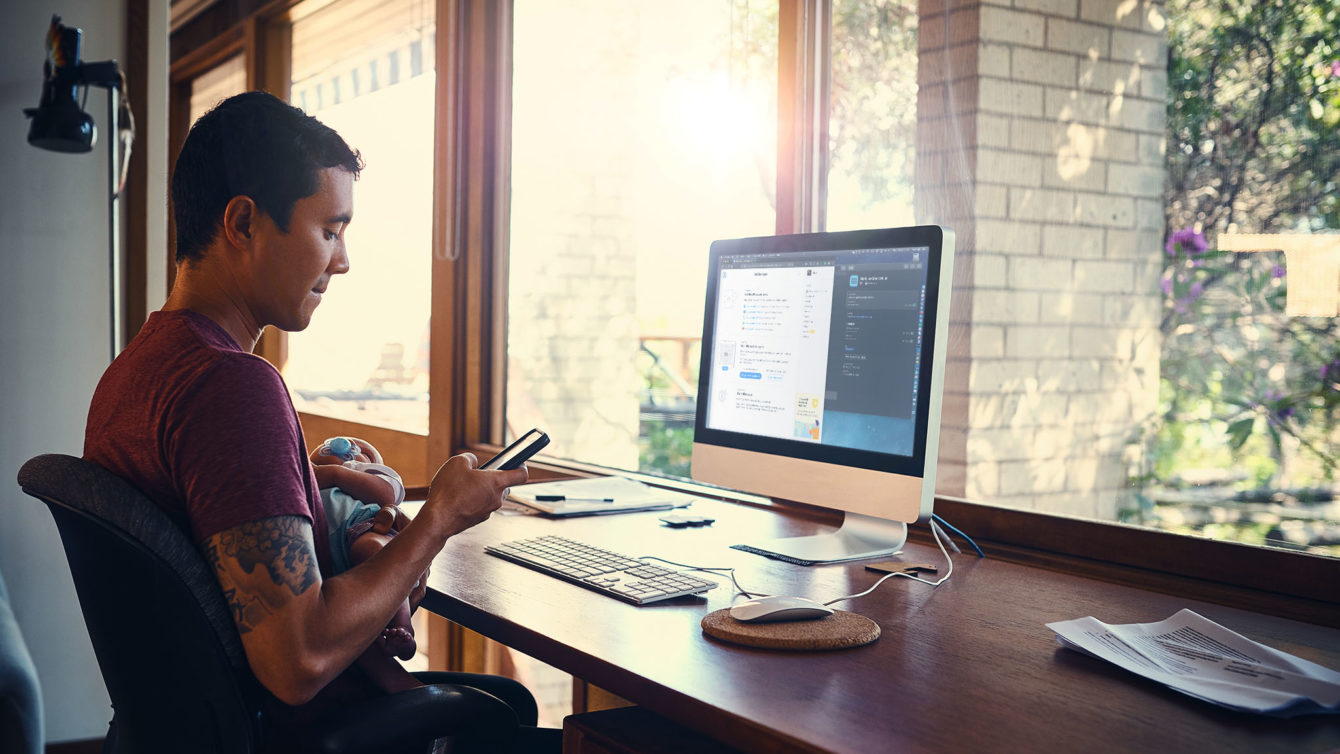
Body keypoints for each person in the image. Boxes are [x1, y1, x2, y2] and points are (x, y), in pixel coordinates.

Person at [83, 91, 554, 751]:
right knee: (522, 722)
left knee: (506, 701)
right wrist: (441, 515)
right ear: (243, 223)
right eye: (330, 229)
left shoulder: (136, 371)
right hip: (286, 732)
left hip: (187, 731)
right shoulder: (233, 387)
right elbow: (296, 662)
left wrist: (296, 478)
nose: (342, 260)